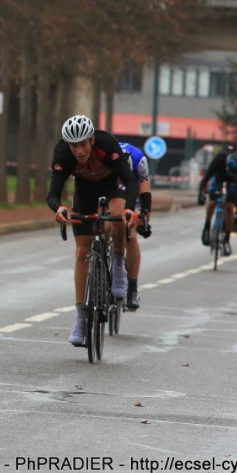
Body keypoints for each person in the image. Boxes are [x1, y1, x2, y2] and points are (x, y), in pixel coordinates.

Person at [48, 115, 138, 347]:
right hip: (84, 191)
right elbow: (53, 193)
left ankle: (118, 264)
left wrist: (129, 209)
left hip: (112, 184)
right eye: (73, 145)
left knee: (117, 215)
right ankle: (80, 318)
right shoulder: (63, 153)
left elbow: (129, 178)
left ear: (91, 140)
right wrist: (59, 208)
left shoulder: (107, 143)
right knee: (81, 253)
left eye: (82, 144)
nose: (78, 150)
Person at [118, 142, 152, 312]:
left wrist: (144, 218)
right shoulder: (100, 158)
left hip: (133, 191)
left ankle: (132, 287)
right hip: (107, 187)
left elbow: (145, 194)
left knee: (130, 232)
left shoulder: (138, 159)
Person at [198, 144, 237, 254]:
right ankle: (207, 226)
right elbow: (206, 178)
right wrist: (201, 193)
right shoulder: (219, 160)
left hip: (233, 183)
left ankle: (226, 239)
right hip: (219, 178)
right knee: (211, 202)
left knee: (230, 207)